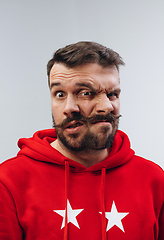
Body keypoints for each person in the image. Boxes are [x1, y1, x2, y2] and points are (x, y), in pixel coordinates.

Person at [0, 41, 163, 240]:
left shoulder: (154, 180)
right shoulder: (8, 182)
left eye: (84, 93)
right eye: (59, 94)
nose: (68, 107)